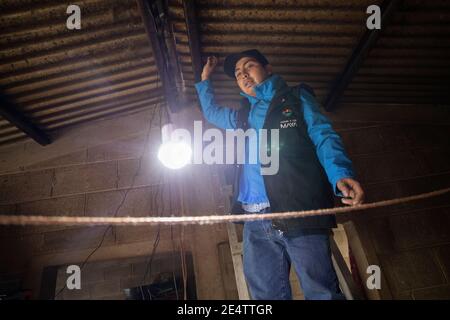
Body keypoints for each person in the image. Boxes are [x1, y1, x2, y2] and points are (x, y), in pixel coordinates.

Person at [195, 49, 365, 300]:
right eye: (238, 74)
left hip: (296, 208)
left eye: (249, 66)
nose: (243, 74)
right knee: (265, 297)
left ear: (268, 68)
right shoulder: (242, 116)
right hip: (254, 220)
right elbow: (211, 113)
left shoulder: (296, 98)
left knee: (321, 292)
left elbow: (324, 136)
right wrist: (205, 79)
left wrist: (340, 174)